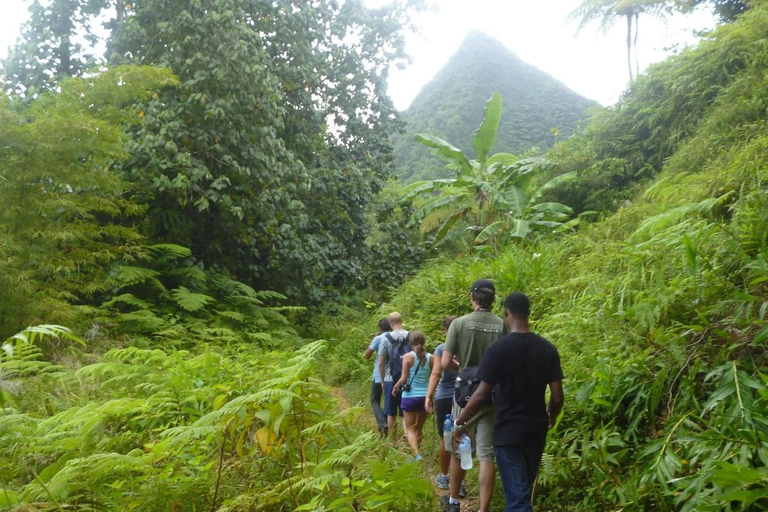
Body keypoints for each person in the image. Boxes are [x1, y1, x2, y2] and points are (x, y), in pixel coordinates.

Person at [453, 291, 564, 512]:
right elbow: (558, 396)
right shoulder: (547, 349)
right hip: (535, 430)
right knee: (521, 491)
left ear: (506, 313)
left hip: (507, 432)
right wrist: (551, 416)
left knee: (518, 499)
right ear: (529, 313)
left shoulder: (498, 349)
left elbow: (482, 394)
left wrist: (460, 422)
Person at [441, 279, 505, 512]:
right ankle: (483, 508)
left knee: (460, 449)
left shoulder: (459, 324)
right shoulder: (502, 324)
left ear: (472, 297)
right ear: (493, 299)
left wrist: (464, 372)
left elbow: (446, 361)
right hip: (491, 396)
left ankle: (454, 501)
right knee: (487, 453)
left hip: (464, 396)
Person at [425, 315, 466, 497]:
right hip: (463, 397)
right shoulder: (467, 347)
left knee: (444, 437)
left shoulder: (442, 349)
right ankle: (461, 482)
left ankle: (444, 476)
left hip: (443, 397)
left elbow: (435, 374)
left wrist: (428, 396)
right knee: (462, 437)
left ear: (445, 331)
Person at [392, 330, 433, 460]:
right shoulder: (431, 358)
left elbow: (404, 378)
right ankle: (416, 452)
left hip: (410, 397)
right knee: (419, 428)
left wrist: (396, 386)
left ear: (410, 343)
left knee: (409, 429)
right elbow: (433, 377)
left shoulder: (407, 357)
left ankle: (415, 454)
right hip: (425, 397)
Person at [378, 312, 410, 439]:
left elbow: (381, 362)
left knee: (391, 413)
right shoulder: (410, 336)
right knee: (405, 412)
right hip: (406, 379)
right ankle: (408, 437)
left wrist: (382, 380)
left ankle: (392, 442)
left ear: (390, 323)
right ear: (401, 321)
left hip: (390, 379)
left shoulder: (386, 338)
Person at [365, 317, 391, 435]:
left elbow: (367, 355)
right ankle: (385, 425)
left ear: (380, 327)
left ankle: (382, 423)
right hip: (391, 375)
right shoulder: (393, 337)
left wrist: (373, 340)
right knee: (387, 401)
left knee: (375, 400)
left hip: (378, 375)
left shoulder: (378, 338)